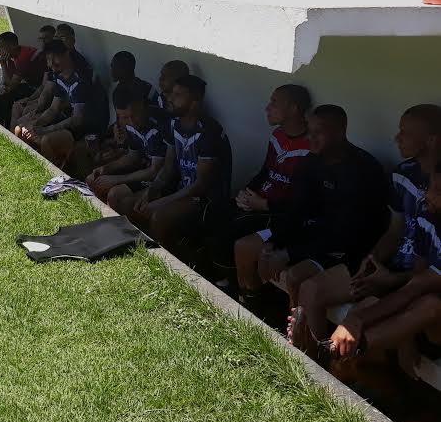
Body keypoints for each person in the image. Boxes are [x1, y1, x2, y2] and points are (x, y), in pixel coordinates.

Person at [288, 105, 441, 353]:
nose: (397, 138)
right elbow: (394, 230)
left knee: (372, 313)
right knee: (311, 289)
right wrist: (373, 260)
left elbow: (422, 280)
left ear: (431, 139)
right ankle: (308, 362)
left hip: (415, 282)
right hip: (394, 269)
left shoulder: (436, 191)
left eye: (405, 133)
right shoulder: (404, 174)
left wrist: (389, 281)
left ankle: (332, 362)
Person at [236, 105, 389, 309]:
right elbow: (297, 208)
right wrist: (273, 243)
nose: (310, 137)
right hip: (313, 231)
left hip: (347, 247)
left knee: (295, 276)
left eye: (319, 133)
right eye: (309, 131)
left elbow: (346, 234)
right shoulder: (312, 160)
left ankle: (297, 335)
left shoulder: (362, 170)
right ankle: (251, 308)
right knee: (245, 247)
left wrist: (289, 253)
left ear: (339, 132)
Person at [328, 161, 441, 379]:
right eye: (430, 187)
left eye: (438, 191)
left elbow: (418, 288)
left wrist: (358, 320)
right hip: (424, 315)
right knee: (374, 303)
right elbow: (414, 280)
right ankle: (343, 358)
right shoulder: (430, 218)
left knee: (431, 305)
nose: (428, 197)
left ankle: (343, 354)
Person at [206, 84, 311, 292]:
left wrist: (265, 204)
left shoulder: (310, 146)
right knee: (214, 210)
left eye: (274, 103)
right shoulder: (278, 136)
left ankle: (237, 289)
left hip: (278, 213)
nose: (267, 108)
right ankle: (220, 276)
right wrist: (245, 193)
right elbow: (265, 171)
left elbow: (302, 201)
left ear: (293, 109)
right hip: (260, 201)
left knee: (231, 230)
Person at [111, 75, 232, 250]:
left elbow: (201, 185)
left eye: (178, 95)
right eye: (171, 94)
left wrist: (162, 201)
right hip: (181, 189)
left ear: (194, 101)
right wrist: (151, 192)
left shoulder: (208, 131)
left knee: (158, 216)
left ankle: (168, 263)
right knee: (128, 204)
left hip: (205, 199)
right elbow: (168, 167)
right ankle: (139, 250)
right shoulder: (174, 124)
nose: (170, 98)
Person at [16, 40, 101, 167]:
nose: (51, 64)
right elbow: (53, 109)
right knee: (20, 128)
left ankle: (56, 175)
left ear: (66, 54)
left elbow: (78, 120)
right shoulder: (59, 76)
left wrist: (45, 130)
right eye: (48, 60)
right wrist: (36, 126)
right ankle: (30, 166)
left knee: (47, 140)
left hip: (84, 128)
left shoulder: (81, 79)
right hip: (66, 122)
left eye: (54, 59)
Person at [86, 87, 166, 203]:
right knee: (92, 179)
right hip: (143, 167)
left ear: (142, 106)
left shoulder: (158, 125)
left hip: (159, 177)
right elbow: (133, 156)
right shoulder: (128, 123)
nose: (132, 122)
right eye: (124, 117)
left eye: (133, 115)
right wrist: (108, 168)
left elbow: (154, 170)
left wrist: (117, 180)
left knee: (115, 195)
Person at [0, 31, 46, 128]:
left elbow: (12, 86)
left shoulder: (23, 57)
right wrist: (2, 85)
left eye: (1, 47)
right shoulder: (13, 56)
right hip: (29, 85)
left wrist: (3, 64)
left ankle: (7, 127)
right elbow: (7, 80)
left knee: (8, 94)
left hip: (38, 89)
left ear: (12, 46)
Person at [9, 25, 56, 130]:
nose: (43, 42)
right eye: (41, 39)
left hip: (49, 103)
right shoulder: (42, 55)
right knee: (16, 105)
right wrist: (30, 100)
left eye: (46, 38)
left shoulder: (55, 60)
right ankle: (9, 135)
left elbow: (48, 95)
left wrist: (34, 103)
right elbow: (44, 86)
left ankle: (14, 137)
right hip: (37, 91)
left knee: (21, 115)